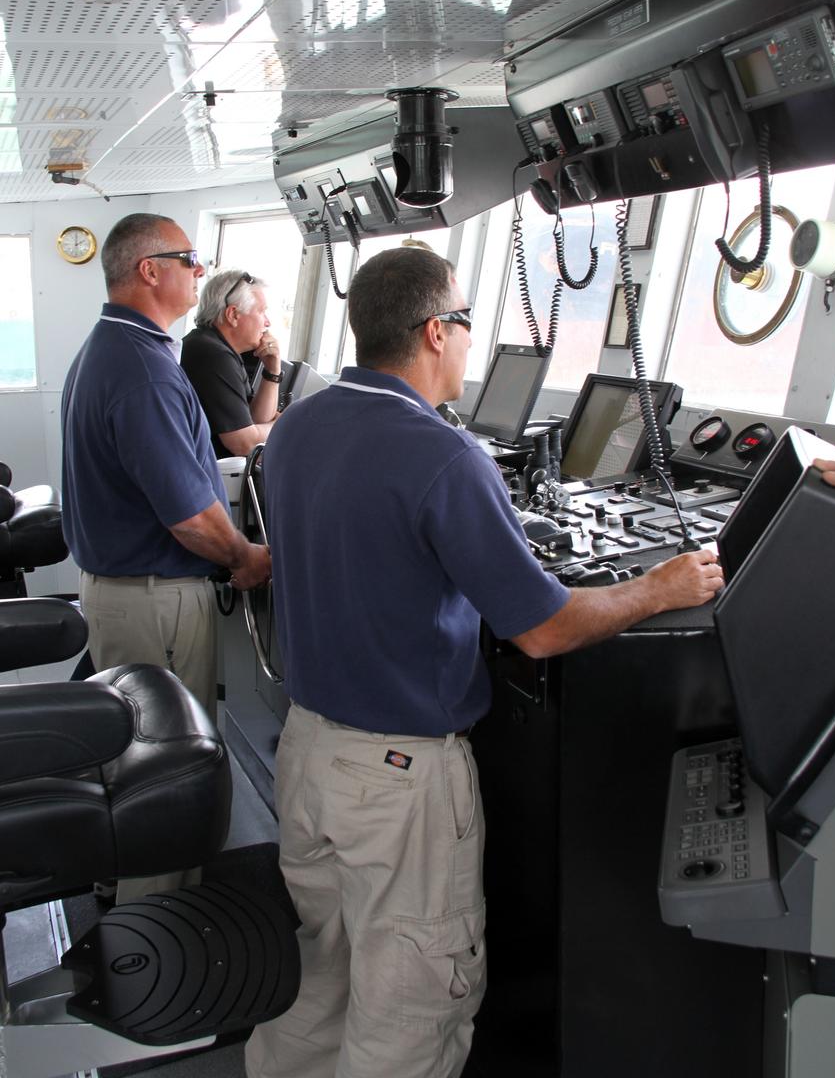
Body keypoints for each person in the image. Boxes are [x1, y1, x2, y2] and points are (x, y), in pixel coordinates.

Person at [245, 247, 723, 1078]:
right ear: (436, 330)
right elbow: (542, 629)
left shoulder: (297, 428)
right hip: (397, 782)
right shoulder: (442, 457)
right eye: (466, 323)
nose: (469, 342)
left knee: (326, 981)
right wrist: (658, 587)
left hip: (309, 754)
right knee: (409, 1014)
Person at [61, 212, 270, 723]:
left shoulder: (112, 346)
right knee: (172, 760)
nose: (200, 273)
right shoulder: (143, 372)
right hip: (153, 602)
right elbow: (190, 518)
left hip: (129, 592)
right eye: (190, 260)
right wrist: (244, 556)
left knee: (141, 753)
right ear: (150, 271)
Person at [181, 268, 285, 457]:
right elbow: (244, 444)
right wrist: (283, 422)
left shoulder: (215, 346)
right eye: (261, 312)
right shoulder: (212, 355)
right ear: (233, 315)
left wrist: (272, 372)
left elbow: (256, 420)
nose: (267, 322)